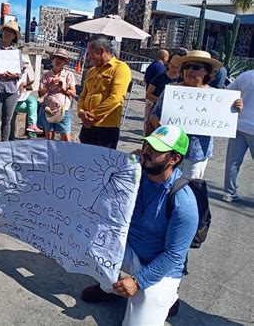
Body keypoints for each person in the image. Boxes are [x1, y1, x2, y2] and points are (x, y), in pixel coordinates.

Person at [81, 125, 198, 325]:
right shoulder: (135, 173)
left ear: (174, 159)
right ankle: (109, 287)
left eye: (156, 149)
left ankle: (169, 297)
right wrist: (121, 165)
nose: (147, 152)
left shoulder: (183, 202)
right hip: (129, 249)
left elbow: (173, 256)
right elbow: (98, 196)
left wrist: (138, 281)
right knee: (85, 234)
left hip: (160, 265)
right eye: (147, 144)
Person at [150, 50, 243, 179]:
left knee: (190, 189)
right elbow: (154, 114)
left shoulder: (216, 95)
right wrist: (157, 123)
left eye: (196, 67)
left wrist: (235, 108)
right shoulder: (171, 90)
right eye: (187, 67)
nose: (190, 70)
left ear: (207, 71)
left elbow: (224, 119)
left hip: (196, 154)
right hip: (169, 150)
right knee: (165, 185)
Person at [77, 37, 132, 149]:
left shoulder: (121, 69)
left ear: (101, 51)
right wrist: (81, 112)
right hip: (87, 127)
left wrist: (93, 115)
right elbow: (83, 95)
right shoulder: (92, 71)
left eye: (90, 53)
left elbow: (115, 98)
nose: (89, 57)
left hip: (107, 128)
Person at [223, 69, 254, 202]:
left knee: (233, 162)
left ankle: (229, 193)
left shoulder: (246, 75)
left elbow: (227, 92)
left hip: (239, 124)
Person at [38, 48, 76, 141]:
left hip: (64, 109)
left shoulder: (68, 75)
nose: (59, 60)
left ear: (65, 62)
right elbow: (40, 93)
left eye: (62, 59)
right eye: (57, 58)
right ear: (53, 59)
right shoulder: (46, 75)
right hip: (48, 109)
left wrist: (63, 89)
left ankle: (66, 155)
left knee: (66, 138)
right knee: (49, 136)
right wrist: (49, 85)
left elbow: (73, 93)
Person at [144, 52, 184, 135]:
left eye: (178, 66)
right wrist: (161, 100)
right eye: (172, 65)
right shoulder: (160, 77)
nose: (174, 69)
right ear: (168, 63)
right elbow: (148, 94)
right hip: (158, 113)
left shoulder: (183, 80)